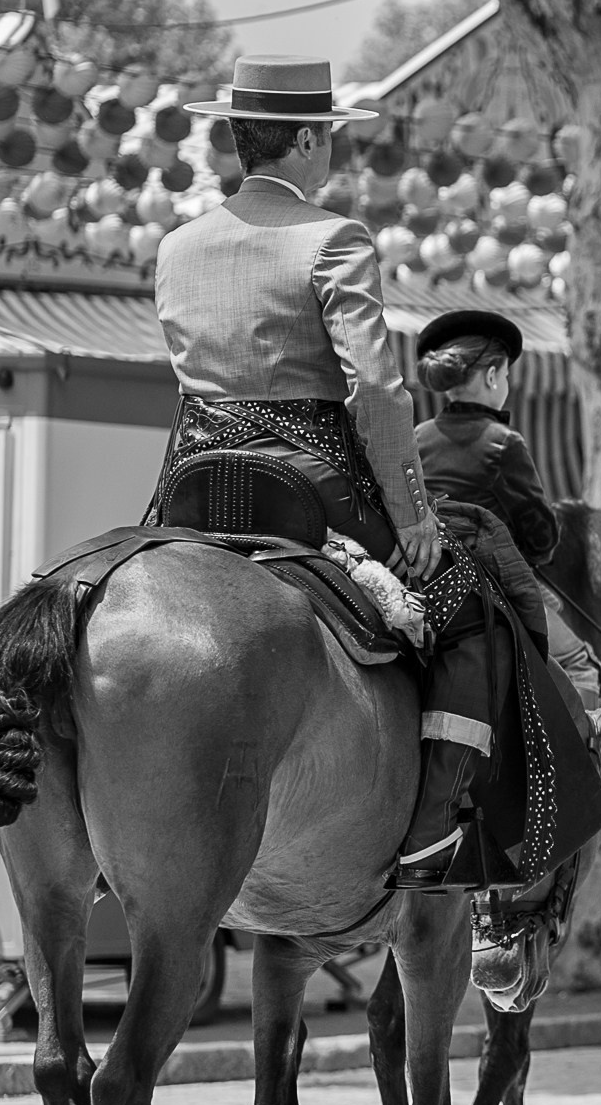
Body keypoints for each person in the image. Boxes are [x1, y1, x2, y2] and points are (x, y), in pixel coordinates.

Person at [165, 55, 536, 889]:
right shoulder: (332, 236)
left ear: (236, 137)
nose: (327, 152)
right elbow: (374, 387)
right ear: (303, 140)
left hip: (192, 473)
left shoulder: (176, 244)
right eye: (325, 136)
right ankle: (434, 829)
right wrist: (411, 516)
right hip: (307, 477)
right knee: (467, 611)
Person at [412, 308, 601, 725]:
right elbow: (541, 536)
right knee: (579, 664)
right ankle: (580, 771)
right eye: (506, 375)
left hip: (421, 575)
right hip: (491, 581)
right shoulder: (502, 442)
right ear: (491, 376)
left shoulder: (417, 436)